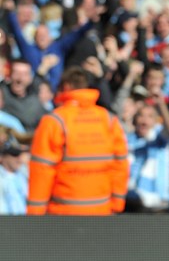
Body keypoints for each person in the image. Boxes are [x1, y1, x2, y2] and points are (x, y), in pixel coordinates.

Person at [27, 67, 129, 215]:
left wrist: (35, 213)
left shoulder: (54, 121)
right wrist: (117, 204)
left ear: (66, 87)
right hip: (101, 209)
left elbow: (42, 170)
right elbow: (120, 164)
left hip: (63, 212)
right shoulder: (108, 119)